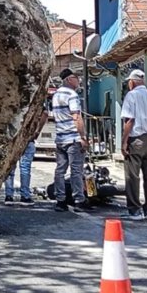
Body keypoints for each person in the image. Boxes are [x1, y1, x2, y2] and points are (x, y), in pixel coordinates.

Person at [120, 68, 147, 220]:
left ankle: (134, 209)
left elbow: (129, 120)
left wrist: (124, 142)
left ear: (132, 82)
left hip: (136, 139)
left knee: (132, 175)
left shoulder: (131, 96)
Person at [52, 68, 92, 212]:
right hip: (73, 138)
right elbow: (76, 116)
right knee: (76, 170)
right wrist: (82, 137)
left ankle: (60, 200)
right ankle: (79, 200)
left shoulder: (56, 95)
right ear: (69, 79)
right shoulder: (72, 94)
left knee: (60, 170)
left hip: (60, 137)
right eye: (76, 77)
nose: (79, 80)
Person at [4, 105, 48, 205]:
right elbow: (45, 113)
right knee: (25, 168)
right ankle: (25, 196)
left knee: (10, 168)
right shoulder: (36, 103)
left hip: (12, 137)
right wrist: (37, 130)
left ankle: (8, 195)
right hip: (28, 138)